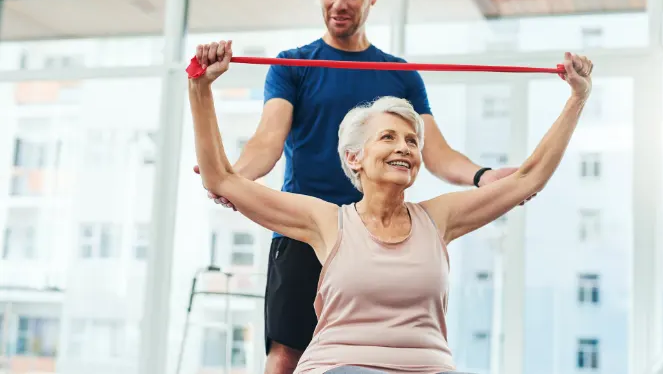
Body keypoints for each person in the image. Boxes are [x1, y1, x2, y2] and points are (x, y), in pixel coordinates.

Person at [192, 0, 531, 374]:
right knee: (285, 358)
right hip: (303, 228)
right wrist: (231, 178)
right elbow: (266, 143)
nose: (339, 4)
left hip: (376, 231)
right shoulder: (292, 65)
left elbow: (437, 152)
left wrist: (483, 177)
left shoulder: (399, 74)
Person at [187, 40, 593, 373]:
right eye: (388, 137)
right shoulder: (326, 221)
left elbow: (528, 178)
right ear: (354, 158)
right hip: (341, 366)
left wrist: (578, 98)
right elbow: (221, 178)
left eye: (412, 141)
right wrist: (200, 89)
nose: (403, 147)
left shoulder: (439, 218)